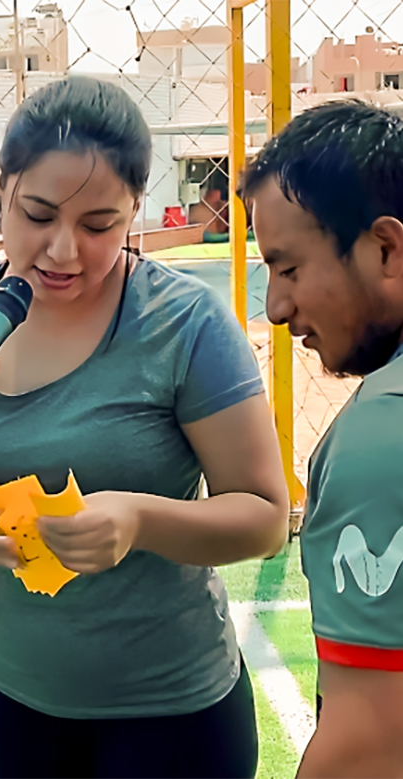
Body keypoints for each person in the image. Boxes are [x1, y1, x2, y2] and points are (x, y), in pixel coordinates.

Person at [0, 76, 290, 779]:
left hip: (169, 714)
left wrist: (137, 519)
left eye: (99, 225)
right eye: (37, 214)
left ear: (134, 208)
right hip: (10, 701)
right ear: (0, 186)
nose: (63, 250)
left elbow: (261, 516)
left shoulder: (183, 323)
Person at [243, 99, 403, 777]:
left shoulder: (378, 437)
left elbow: (369, 741)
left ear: (385, 249)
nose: (275, 308)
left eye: (288, 268)